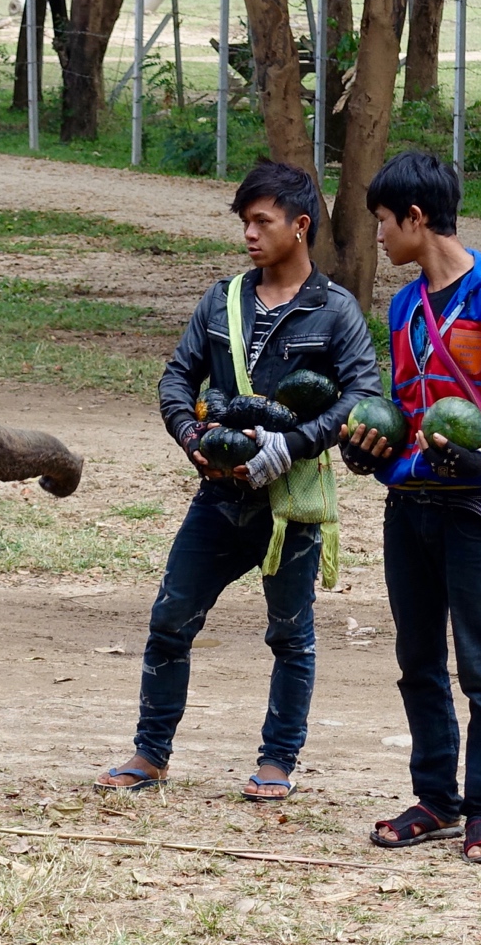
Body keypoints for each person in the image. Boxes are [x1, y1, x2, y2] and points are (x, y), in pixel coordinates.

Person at [96, 161, 381, 801]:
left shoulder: (335, 312)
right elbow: (177, 379)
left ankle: (278, 762)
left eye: (262, 221)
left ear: (300, 226)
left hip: (292, 505)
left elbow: (363, 395)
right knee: (171, 617)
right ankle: (151, 754)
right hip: (219, 498)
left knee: (290, 634)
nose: (250, 234)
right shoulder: (221, 301)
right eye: (244, 222)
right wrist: (193, 438)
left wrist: (290, 446)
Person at [339, 150, 481, 863]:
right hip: (411, 507)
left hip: (474, 509)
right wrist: (377, 456)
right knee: (417, 658)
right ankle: (436, 798)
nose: (379, 238)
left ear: (417, 219)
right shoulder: (404, 305)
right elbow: (403, 407)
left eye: (383, 224)